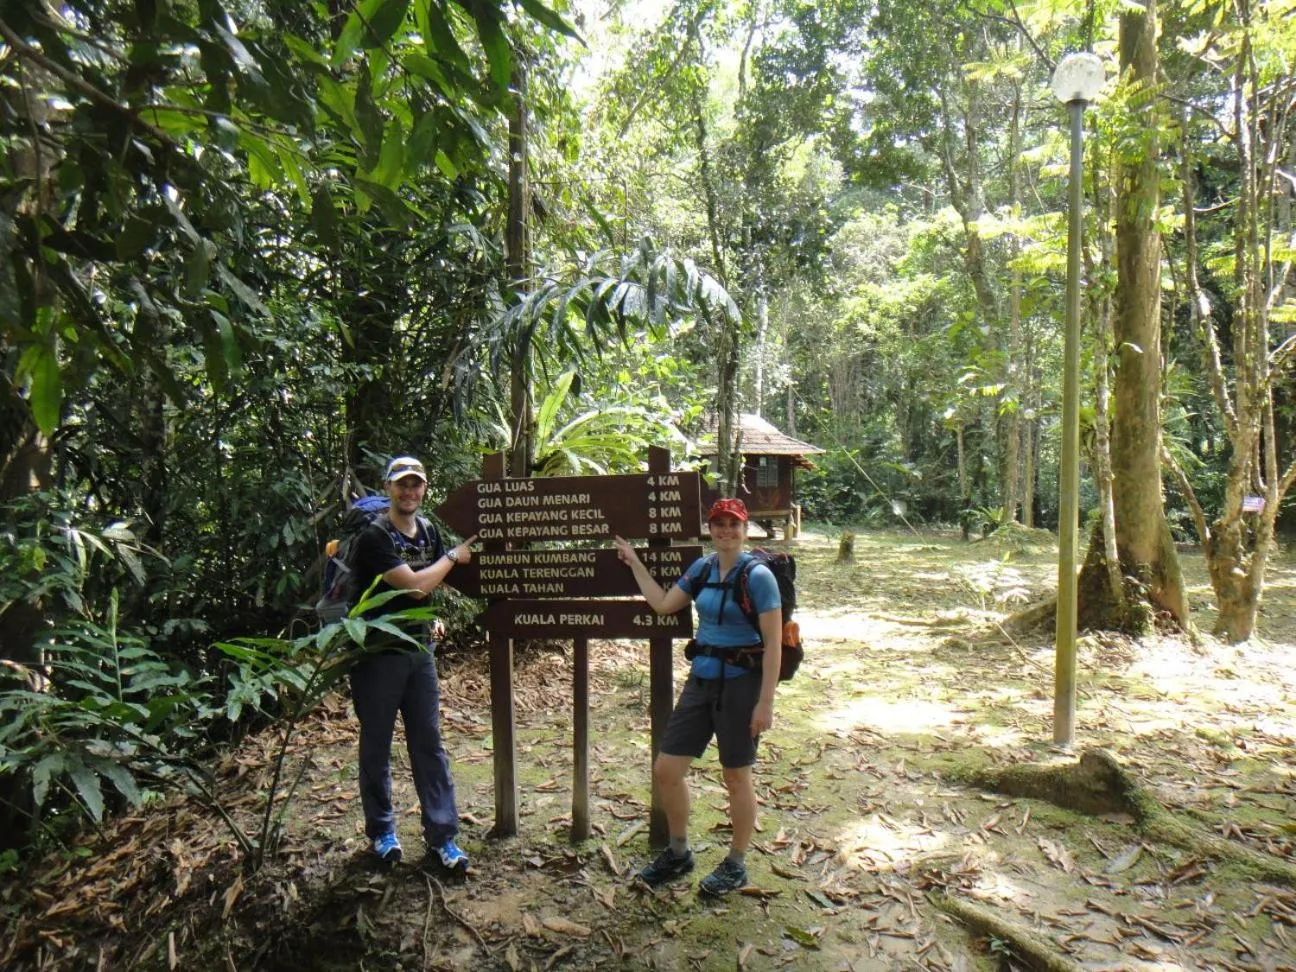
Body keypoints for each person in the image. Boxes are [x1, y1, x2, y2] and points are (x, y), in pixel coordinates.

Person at [612, 497, 782, 896]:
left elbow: (774, 644)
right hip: (701, 680)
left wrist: (766, 702)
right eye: (719, 524)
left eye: (734, 524)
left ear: (745, 529)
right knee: (666, 769)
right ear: (710, 529)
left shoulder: (759, 577)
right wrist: (635, 562)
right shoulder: (702, 568)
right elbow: (663, 604)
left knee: (736, 775)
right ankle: (679, 852)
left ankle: (736, 863)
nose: (726, 531)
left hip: (742, 684)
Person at [348, 455, 477, 870]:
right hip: (377, 655)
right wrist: (453, 556)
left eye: (415, 484)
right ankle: (382, 832)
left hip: (419, 653)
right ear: (388, 487)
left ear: (424, 489)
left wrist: (433, 618)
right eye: (401, 483)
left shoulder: (428, 530)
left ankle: (443, 837)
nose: (409, 491)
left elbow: (431, 588)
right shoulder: (375, 536)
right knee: (377, 744)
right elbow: (417, 586)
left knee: (428, 744)